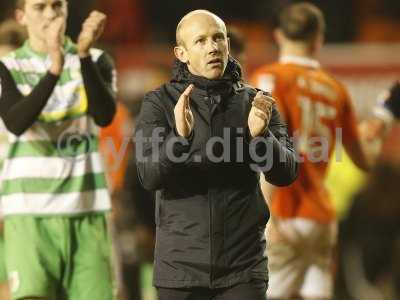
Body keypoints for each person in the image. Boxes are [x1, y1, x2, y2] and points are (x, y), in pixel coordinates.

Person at [135, 9, 298, 300]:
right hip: (179, 269)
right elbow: (149, 175)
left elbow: (285, 173)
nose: (213, 47)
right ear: (181, 53)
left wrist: (261, 136)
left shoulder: (257, 101)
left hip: (243, 268)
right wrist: (180, 139)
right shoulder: (158, 103)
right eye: (200, 41)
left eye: (218, 38)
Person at [250, 3, 369, 299]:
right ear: (319, 38)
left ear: (278, 36)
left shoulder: (270, 78)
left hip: (283, 210)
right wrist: (382, 118)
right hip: (322, 217)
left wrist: (267, 217)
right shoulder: (336, 89)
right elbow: (363, 160)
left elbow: (267, 147)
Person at [0, 0, 117, 299]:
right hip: (29, 215)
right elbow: (16, 121)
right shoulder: (7, 67)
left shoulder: (97, 59)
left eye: (57, 5)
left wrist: (81, 55)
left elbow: (105, 116)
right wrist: (55, 68)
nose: (51, 14)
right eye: (40, 7)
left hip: (86, 211)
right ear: (21, 16)